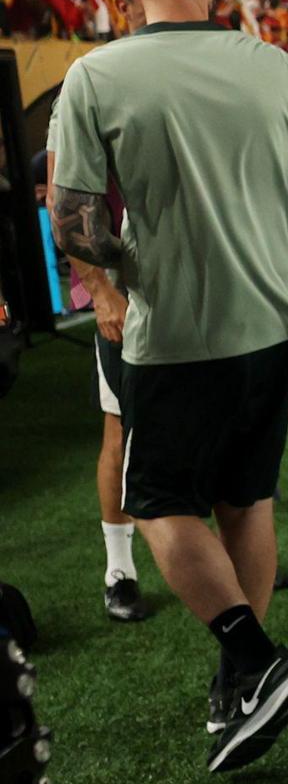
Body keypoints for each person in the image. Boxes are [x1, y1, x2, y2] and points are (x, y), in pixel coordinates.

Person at [47, 0, 288, 773]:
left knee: (160, 503)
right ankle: (240, 687)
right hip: (279, 312)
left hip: (174, 324)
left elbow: (75, 222)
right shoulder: (272, 63)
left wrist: (127, 267)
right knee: (247, 497)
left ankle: (255, 660)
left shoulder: (95, 77)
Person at [39, 148, 150, 623]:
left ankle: (236, 553)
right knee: (121, 428)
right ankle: (119, 571)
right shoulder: (77, 97)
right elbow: (63, 205)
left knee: (214, 411)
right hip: (121, 286)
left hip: (180, 276)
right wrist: (101, 291)